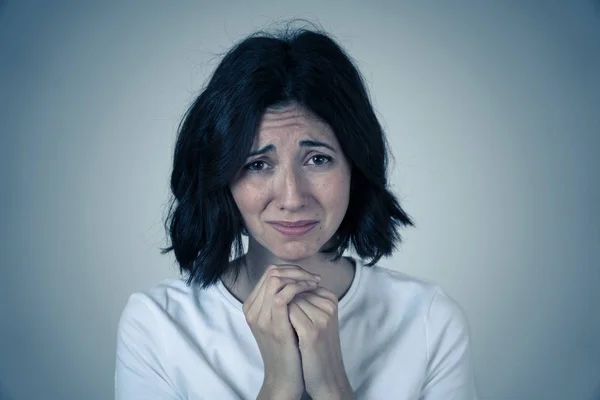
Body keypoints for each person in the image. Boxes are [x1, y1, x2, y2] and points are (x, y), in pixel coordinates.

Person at [115, 24, 478, 400]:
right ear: (222, 176)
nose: (291, 198)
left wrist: (331, 386)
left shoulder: (429, 319)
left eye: (318, 159)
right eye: (258, 164)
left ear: (356, 167)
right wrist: (279, 385)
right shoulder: (158, 325)